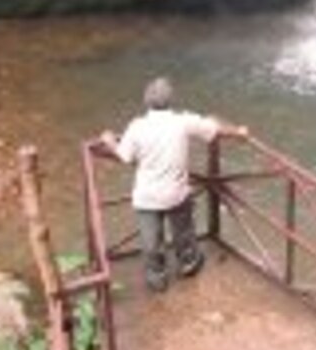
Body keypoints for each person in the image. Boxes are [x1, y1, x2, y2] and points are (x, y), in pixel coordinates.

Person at [100, 77, 249, 292]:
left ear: (146, 101)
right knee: (184, 233)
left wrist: (109, 141)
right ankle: (189, 263)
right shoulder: (182, 121)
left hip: (147, 197)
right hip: (176, 194)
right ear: (171, 100)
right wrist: (240, 132)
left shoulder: (137, 126)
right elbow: (214, 128)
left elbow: (125, 157)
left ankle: (157, 277)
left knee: (151, 240)